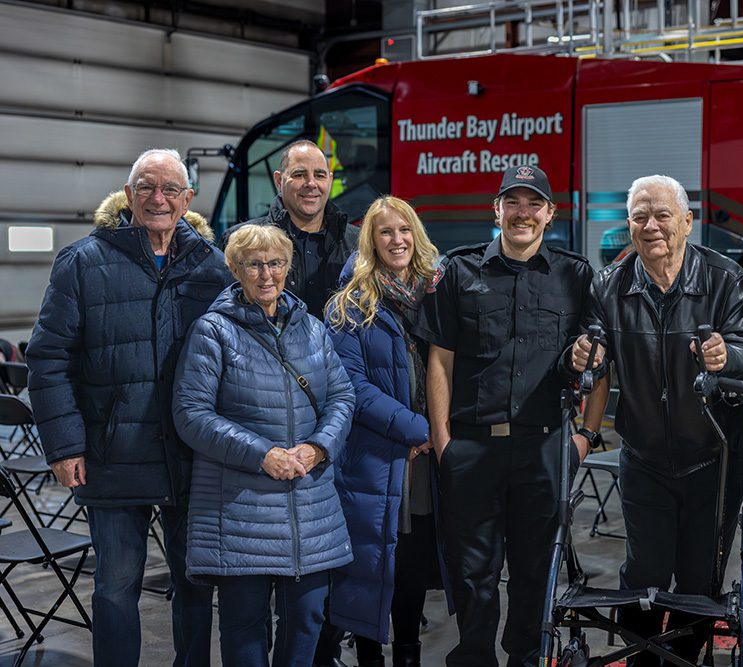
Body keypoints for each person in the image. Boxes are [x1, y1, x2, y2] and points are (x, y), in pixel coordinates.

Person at [25, 148, 229, 667]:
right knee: (115, 587)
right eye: (146, 187)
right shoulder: (82, 262)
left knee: (194, 583)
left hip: (191, 456)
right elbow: (48, 359)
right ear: (129, 193)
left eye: (169, 189)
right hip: (112, 453)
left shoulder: (213, 266)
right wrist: (65, 445)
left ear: (188, 198)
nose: (157, 199)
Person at [569, 175, 743, 665]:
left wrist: (727, 355)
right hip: (644, 458)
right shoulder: (609, 285)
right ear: (629, 226)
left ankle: (682, 660)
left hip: (713, 461)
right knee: (642, 576)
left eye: (662, 215)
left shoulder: (726, 280)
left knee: (700, 580)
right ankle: (642, 658)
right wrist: (585, 352)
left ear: (688, 222)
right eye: (639, 217)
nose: (651, 226)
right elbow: (593, 347)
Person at [412, 164, 593, 667]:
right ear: (496, 209)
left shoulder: (574, 275)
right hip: (472, 446)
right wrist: (444, 439)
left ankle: (526, 658)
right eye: (512, 202)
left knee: (537, 567)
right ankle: (474, 657)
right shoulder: (457, 270)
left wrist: (588, 436)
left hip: (544, 445)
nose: (522, 213)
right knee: (474, 570)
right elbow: (439, 361)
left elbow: (602, 354)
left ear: (550, 215)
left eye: (533, 203)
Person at [172, 223, 356, 666]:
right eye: (253, 264)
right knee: (244, 627)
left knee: (308, 618)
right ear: (235, 269)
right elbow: (191, 415)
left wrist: (318, 448)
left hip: (309, 503)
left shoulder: (311, 328)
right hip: (241, 508)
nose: (266, 273)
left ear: (288, 267)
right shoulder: (213, 331)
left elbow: (343, 396)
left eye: (275, 263)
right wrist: (263, 455)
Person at [327, 196, 452, 667]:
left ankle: (408, 657)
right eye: (385, 232)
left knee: (413, 569)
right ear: (371, 241)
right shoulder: (349, 305)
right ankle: (368, 658)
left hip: (426, 463)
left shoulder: (437, 295)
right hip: (376, 459)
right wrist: (422, 429)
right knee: (369, 567)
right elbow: (352, 387)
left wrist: (438, 432)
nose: (396, 239)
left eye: (404, 230)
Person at [221, 139, 360, 319]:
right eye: (300, 174)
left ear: (330, 180)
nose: (311, 183)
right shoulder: (238, 241)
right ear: (279, 180)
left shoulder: (358, 242)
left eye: (320, 175)